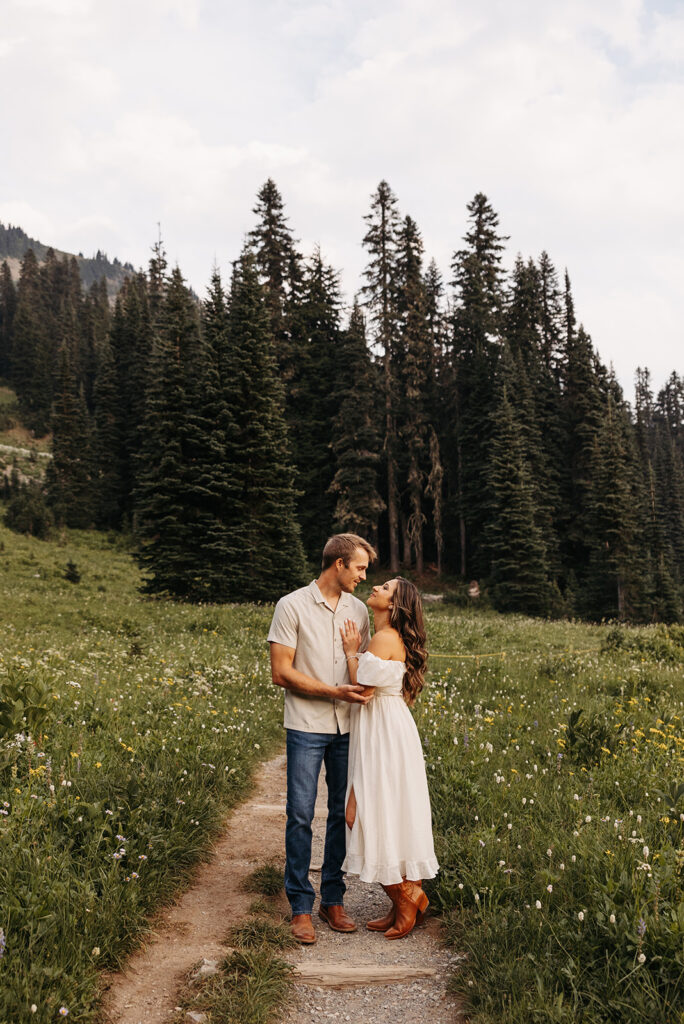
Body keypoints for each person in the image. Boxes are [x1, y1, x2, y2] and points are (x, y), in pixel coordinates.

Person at [268, 533, 377, 944]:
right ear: (338, 565)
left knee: (340, 814)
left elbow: (359, 672)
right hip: (306, 726)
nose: (364, 576)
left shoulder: (360, 611)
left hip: (349, 728)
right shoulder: (291, 605)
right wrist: (333, 692)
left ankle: (333, 899)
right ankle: (300, 906)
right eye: (360, 568)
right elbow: (281, 672)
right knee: (299, 814)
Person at [340, 576, 438, 939]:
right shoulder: (384, 638)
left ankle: (409, 900)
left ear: (395, 605)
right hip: (382, 727)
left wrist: (352, 651)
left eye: (385, 588)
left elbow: (363, 690)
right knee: (388, 812)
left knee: (362, 813)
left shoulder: (384, 638)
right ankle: (403, 903)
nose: (376, 588)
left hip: (383, 728)